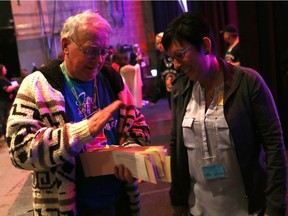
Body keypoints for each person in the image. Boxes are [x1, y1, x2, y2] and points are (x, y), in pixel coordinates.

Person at [6, 11, 150, 216]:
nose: (99, 60)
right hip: (66, 208)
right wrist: (81, 132)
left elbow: (139, 125)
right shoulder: (39, 85)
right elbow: (19, 151)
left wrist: (131, 151)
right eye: (91, 51)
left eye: (104, 52)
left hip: (118, 204)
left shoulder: (112, 80)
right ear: (65, 45)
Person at [162, 12, 286, 216]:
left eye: (179, 55)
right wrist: (178, 201)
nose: (176, 64)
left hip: (245, 209)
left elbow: (274, 146)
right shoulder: (180, 90)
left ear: (206, 45)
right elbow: (177, 146)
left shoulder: (247, 83)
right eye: (171, 58)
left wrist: (275, 207)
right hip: (197, 208)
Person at [149, 32, 177, 108]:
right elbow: (160, 79)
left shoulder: (176, 55)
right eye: (157, 43)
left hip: (180, 92)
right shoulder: (161, 59)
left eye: (161, 42)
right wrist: (155, 97)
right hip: (170, 93)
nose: (159, 46)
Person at [0, 64, 19, 138]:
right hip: (4, 103)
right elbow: (7, 89)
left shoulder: (4, 78)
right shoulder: (1, 80)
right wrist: (15, 85)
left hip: (8, 101)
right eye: (4, 69)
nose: (6, 70)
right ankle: (7, 135)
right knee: (5, 119)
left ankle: (10, 133)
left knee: (8, 118)